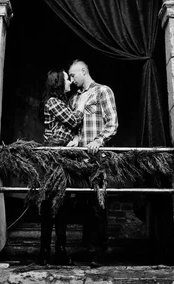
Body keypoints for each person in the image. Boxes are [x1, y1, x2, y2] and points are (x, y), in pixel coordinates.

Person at [68, 59, 118, 268]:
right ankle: (87, 250)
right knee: (83, 205)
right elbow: (77, 129)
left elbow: (112, 122)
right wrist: (75, 140)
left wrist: (99, 140)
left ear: (83, 71)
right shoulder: (75, 99)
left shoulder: (102, 91)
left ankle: (100, 252)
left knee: (98, 206)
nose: (71, 80)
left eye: (72, 75)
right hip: (80, 160)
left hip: (97, 160)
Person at [40, 69, 86, 265]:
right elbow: (75, 120)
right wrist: (82, 105)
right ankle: (45, 252)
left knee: (62, 203)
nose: (70, 81)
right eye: (67, 79)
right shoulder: (53, 102)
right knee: (51, 202)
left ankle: (59, 250)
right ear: (59, 83)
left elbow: (71, 127)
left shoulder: (62, 103)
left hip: (62, 154)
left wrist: (75, 137)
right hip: (55, 155)